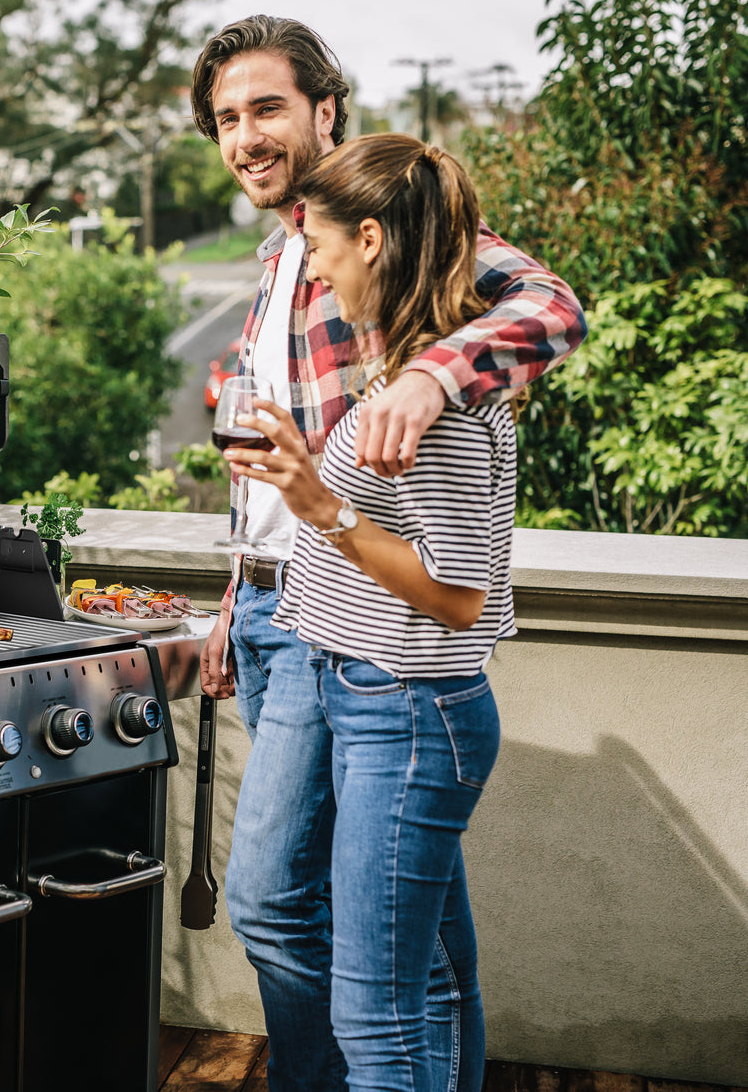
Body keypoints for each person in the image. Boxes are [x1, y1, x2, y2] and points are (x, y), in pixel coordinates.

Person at [188, 16, 587, 1092]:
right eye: (226, 119)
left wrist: (431, 377)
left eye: (266, 108)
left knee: (286, 914)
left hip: (370, 636)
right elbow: (275, 470)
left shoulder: (386, 224)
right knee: (420, 941)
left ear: (326, 108)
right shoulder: (281, 259)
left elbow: (552, 304)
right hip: (285, 610)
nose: (245, 137)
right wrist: (236, 595)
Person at [226, 131, 512, 1092]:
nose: (312, 262)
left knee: (377, 1020)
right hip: (370, 697)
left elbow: (458, 595)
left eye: (323, 246)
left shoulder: (438, 399)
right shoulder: (395, 375)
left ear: (374, 241)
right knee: (418, 981)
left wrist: (323, 508)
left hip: (410, 711)